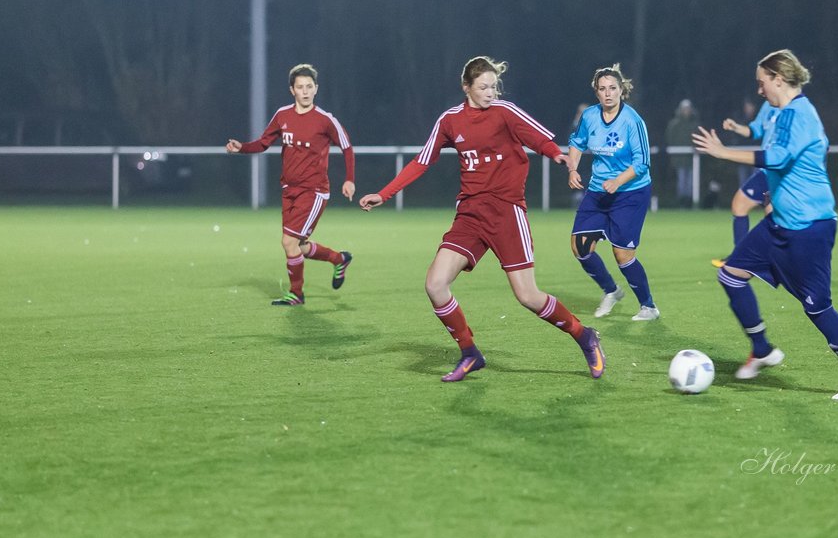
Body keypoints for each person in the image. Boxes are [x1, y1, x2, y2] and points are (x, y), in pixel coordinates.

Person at [359, 56, 605, 383]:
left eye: (494, 86)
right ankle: (470, 353)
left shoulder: (505, 112)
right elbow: (422, 161)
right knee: (435, 285)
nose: (491, 92)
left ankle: (584, 335)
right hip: (471, 214)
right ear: (467, 88)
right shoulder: (450, 121)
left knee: (528, 296)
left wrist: (555, 154)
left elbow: (536, 137)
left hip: (506, 212)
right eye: (483, 87)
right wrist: (384, 193)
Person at [692, 49, 838, 400]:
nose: (760, 90)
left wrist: (723, 152)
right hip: (780, 223)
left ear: (779, 79)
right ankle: (761, 348)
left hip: (811, 227)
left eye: (762, 83)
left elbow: (778, 158)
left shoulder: (800, 113)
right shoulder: (780, 114)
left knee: (817, 307)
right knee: (731, 274)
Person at [226, 63, 356, 306]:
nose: (305, 91)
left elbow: (347, 148)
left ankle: (296, 294)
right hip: (289, 190)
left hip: (314, 191)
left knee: (289, 242)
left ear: (316, 89)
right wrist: (242, 147)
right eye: (300, 87)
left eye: (309, 87)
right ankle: (339, 259)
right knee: (301, 246)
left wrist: (349, 179)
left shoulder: (325, 120)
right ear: (292, 90)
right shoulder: (282, 115)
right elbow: (263, 143)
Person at [567, 64, 660, 321]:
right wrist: (572, 169)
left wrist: (618, 181)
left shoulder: (633, 121)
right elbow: (576, 143)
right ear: (596, 93)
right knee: (580, 247)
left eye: (613, 88)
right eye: (602, 89)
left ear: (621, 91)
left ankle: (648, 306)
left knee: (622, 255)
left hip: (630, 192)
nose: (608, 94)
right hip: (598, 192)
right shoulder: (589, 116)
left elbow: (642, 164)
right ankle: (611, 291)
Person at [710, 98, 777, 268]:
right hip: (765, 170)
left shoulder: (794, 108)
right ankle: (742, 258)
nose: (760, 91)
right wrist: (736, 127)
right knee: (740, 204)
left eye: (763, 83)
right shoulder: (768, 105)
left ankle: (779, 260)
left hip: (780, 171)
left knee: (774, 218)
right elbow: (755, 130)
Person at [664, 98, 699, 207]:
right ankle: (682, 203)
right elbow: (669, 139)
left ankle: (689, 203)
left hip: (691, 159)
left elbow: (697, 139)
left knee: (690, 182)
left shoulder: (694, 124)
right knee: (681, 181)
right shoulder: (674, 124)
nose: (686, 111)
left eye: (688, 109)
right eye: (684, 109)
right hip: (679, 159)